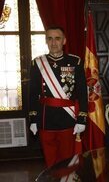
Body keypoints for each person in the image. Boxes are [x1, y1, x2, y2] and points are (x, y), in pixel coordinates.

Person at [29, 26, 88, 167]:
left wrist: (82, 119)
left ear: (64, 41)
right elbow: (32, 93)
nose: (53, 42)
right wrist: (33, 119)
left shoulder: (75, 62)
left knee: (67, 161)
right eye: (49, 38)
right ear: (46, 41)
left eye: (57, 38)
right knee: (50, 162)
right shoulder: (37, 63)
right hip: (45, 119)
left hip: (67, 119)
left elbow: (82, 92)